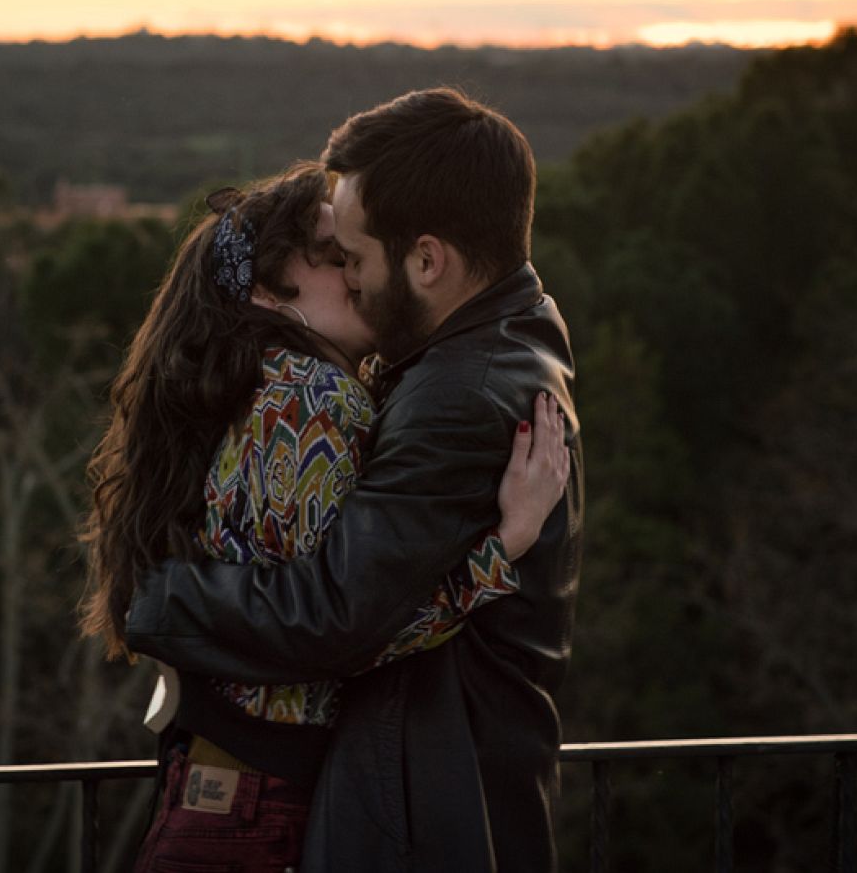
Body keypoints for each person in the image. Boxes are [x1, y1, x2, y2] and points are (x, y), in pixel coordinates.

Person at [125, 88, 583, 872]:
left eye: (355, 257)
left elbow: (337, 621)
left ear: (427, 259)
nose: (353, 276)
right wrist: (499, 550)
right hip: (294, 793)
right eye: (331, 257)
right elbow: (341, 612)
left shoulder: (452, 395)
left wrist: (169, 599)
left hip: (415, 803)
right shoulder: (518, 326)